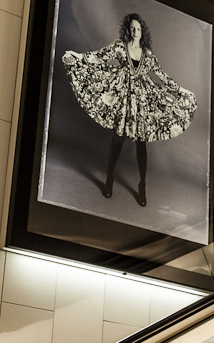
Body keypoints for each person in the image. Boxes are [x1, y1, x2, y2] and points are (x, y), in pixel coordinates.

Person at [62, 13, 196, 207]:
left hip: (141, 102)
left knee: (141, 143)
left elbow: (163, 77)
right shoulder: (119, 47)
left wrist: (182, 90)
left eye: (138, 29)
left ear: (143, 33)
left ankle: (142, 184)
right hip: (122, 98)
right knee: (117, 139)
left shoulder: (148, 55)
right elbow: (98, 58)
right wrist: (78, 56)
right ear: (128, 30)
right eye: (132, 28)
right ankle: (109, 179)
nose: (135, 31)